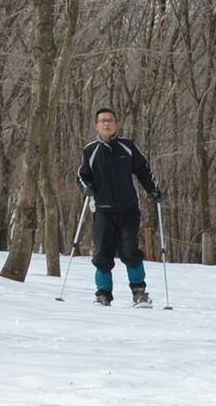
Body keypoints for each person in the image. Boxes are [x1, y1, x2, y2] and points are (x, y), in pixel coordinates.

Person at [77, 108, 162, 307]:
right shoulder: (90, 150)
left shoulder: (127, 146)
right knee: (102, 254)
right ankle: (103, 294)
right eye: (103, 121)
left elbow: (143, 170)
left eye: (111, 120)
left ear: (116, 124)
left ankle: (139, 292)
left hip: (128, 209)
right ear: (96, 125)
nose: (107, 124)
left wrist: (153, 190)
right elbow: (82, 176)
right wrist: (85, 188)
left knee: (130, 251)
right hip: (102, 210)